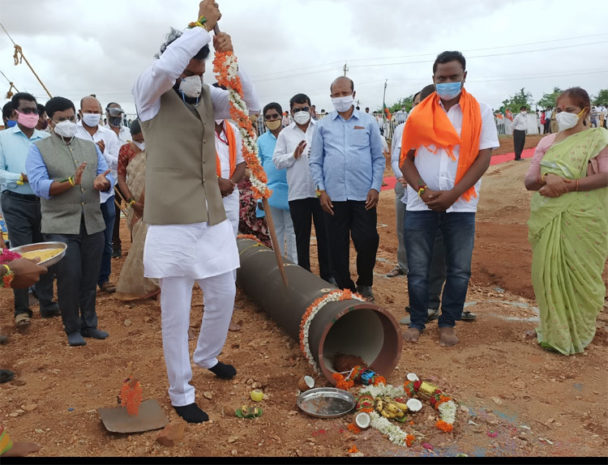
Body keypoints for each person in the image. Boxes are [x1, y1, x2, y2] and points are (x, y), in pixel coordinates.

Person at [132, 0, 260, 424]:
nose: (194, 77)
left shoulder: (208, 95)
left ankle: (207, 356)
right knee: (176, 311)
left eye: (200, 70)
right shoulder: (149, 92)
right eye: (190, 69)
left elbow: (249, 105)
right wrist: (203, 25)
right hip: (171, 221)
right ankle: (180, 389)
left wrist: (228, 54)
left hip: (210, 216)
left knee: (223, 294)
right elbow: (169, 64)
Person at [399, 51, 499, 346]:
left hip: (462, 205)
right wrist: (422, 191)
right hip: (421, 204)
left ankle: (448, 322)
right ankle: (418, 321)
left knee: (459, 269)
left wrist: (453, 195)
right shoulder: (417, 114)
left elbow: (483, 158)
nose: (447, 82)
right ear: (433, 79)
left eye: (453, 77)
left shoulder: (481, 111)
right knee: (417, 268)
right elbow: (406, 160)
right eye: (441, 78)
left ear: (464, 76)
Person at [524, 87, 608, 355]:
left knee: (580, 275)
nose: (563, 115)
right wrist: (547, 180)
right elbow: (529, 181)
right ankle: (552, 332)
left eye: (569, 110)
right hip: (548, 216)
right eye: (559, 110)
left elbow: (606, 176)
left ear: (585, 110)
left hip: (583, 219)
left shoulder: (598, 139)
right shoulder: (547, 142)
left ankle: (578, 334)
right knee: (547, 275)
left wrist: (568, 186)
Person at [26, 96, 113, 346]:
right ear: (50, 121)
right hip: (61, 225)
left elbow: (105, 176)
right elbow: (39, 185)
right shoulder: (39, 149)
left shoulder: (90, 146)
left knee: (89, 276)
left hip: (92, 222)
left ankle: (89, 323)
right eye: (61, 119)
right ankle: (71, 327)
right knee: (69, 276)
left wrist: (103, 183)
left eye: (71, 117)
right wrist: (71, 181)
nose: (67, 122)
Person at [309, 77, 385, 301]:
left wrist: (375, 187)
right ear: (331, 97)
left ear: (353, 93)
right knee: (336, 244)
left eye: (345, 93)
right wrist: (320, 190)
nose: (341, 98)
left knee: (368, 239)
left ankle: (365, 282)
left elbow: (378, 158)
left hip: (364, 195)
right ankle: (346, 286)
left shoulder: (369, 122)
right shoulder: (322, 125)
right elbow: (315, 160)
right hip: (333, 196)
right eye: (336, 94)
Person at [392, 85, 450, 324]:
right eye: (417, 104)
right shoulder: (404, 129)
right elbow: (399, 158)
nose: (420, 108)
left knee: (438, 254)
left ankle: (431, 303)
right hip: (412, 196)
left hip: (440, 201)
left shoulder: (450, 130)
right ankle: (419, 304)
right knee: (414, 252)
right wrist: (408, 179)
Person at [0, 92, 58, 330]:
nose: (32, 115)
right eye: (27, 110)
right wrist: (20, 178)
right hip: (15, 202)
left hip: (43, 202)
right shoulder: (3, 139)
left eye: (35, 111)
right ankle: (22, 309)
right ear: (15, 113)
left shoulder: (45, 139)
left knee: (45, 250)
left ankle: (46, 303)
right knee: (19, 254)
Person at [273, 94, 332, 282]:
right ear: (290, 111)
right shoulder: (285, 134)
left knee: (325, 236)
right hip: (298, 193)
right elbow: (277, 161)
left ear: (311, 109)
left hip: (321, 192)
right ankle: (305, 276)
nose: (301, 113)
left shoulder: (321, 129)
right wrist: (293, 155)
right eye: (296, 109)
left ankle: (327, 275)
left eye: (304, 109)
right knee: (301, 237)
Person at [75, 96, 119, 293]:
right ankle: (85, 280)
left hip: (105, 196)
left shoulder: (109, 135)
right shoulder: (73, 133)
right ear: (80, 112)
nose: (93, 115)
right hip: (82, 197)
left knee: (106, 240)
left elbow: (117, 164)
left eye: (96, 111)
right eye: (89, 111)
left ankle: (104, 278)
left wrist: (103, 153)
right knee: (84, 239)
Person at [115, 120, 159, 301]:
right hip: (135, 206)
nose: (141, 144)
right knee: (138, 244)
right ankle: (142, 284)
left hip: (158, 205)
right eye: (137, 140)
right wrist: (132, 202)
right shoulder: (125, 150)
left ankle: (156, 285)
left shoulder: (159, 147)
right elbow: (121, 176)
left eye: (144, 140)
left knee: (156, 244)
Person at [257, 102, 297, 262]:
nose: (272, 119)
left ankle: (295, 265)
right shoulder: (260, 141)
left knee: (292, 230)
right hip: (270, 193)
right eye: (268, 117)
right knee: (276, 230)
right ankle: (280, 263)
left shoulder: (291, 135)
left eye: (275, 116)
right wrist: (259, 196)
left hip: (292, 190)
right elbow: (257, 167)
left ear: (282, 116)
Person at [105, 102, 130, 259]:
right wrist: (123, 162)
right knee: (113, 214)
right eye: (114, 114)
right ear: (107, 114)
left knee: (136, 211)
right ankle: (115, 245)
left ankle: (137, 244)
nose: (117, 117)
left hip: (129, 178)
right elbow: (104, 156)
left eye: (119, 114)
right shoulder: (104, 133)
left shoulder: (127, 131)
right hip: (112, 179)